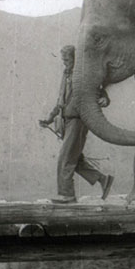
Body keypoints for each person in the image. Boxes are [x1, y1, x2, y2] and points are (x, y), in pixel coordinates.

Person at [39, 45, 113, 203]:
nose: (64, 62)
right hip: (67, 121)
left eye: (67, 59)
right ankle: (103, 180)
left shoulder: (83, 74)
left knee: (65, 159)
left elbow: (100, 92)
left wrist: (104, 100)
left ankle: (67, 195)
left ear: (75, 59)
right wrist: (49, 119)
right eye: (63, 59)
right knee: (75, 159)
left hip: (78, 121)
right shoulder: (66, 74)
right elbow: (61, 102)